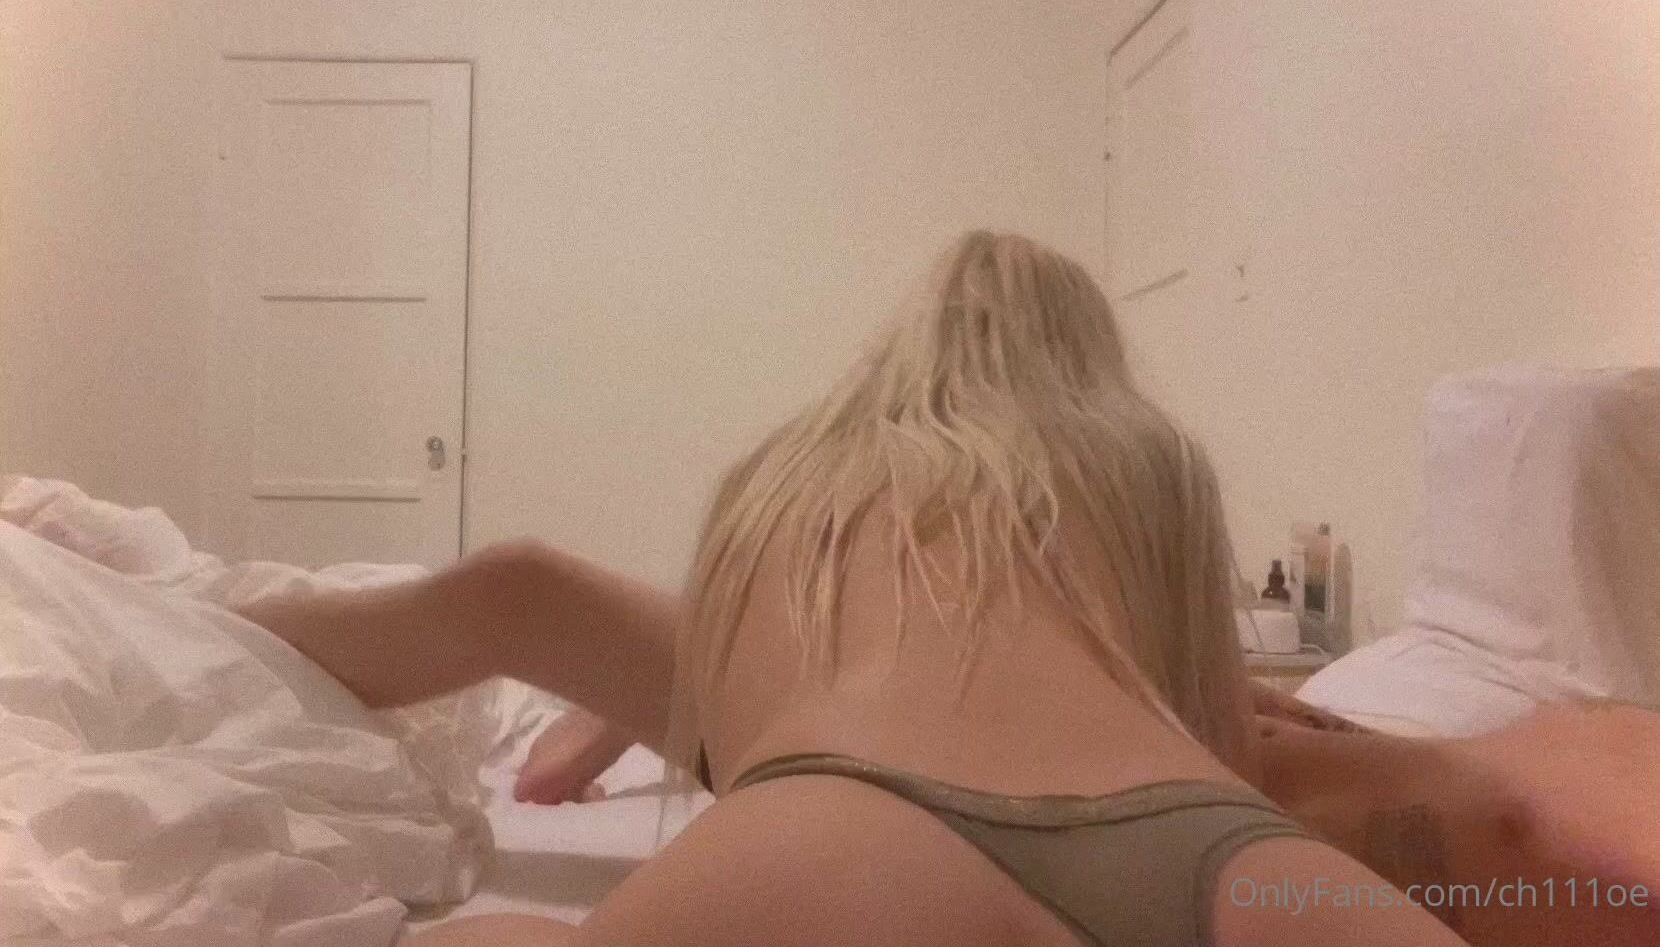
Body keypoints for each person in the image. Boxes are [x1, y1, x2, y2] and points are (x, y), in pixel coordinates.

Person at [247, 232, 1466, 946]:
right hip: (1198, 843)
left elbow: (531, 623)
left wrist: (221, 615)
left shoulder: (793, 473)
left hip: (838, 829)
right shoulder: (1151, 461)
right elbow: (1212, 747)